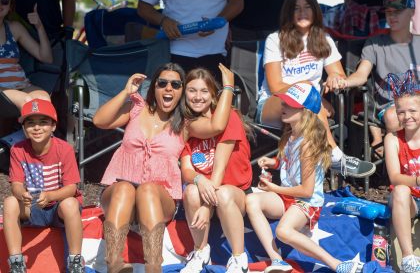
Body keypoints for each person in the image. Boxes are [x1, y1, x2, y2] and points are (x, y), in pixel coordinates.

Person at [93, 62, 235, 273]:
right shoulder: (136, 108)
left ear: (181, 92)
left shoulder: (186, 124)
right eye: (163, 83)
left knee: (147, 188)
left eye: (176, 85)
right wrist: (125, 92)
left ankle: (153, 268)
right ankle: (114, 265)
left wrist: (228, 88)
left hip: (159, 199)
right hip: (119, 198)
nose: (169, 88)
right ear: (154, 88)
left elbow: (217, 126)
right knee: (124, 187)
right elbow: (99, 120)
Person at [246, 82, 364, 273]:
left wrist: (274, 189)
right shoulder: (290, 135)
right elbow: (290, 166)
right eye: (284, 102)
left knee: (283, 231)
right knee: (251, 201)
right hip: (288, 198)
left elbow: (306, 190)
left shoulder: (307, 144)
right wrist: (273, 163)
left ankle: (336, 263)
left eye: (290, 104)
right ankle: (277, 260)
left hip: (306, 202)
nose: (283, 107)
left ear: (306, 111)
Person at [256, 0, 375, 178]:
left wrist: (335, 79)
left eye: (307, 7)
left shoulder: (324, 39)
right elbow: (275, 85)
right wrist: (315, 98)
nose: (302, 12)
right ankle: (335, 157)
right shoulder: (275, 39)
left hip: (309, 109)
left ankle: (309, 183)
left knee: (308, 101)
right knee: (306, 91)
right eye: (296, 8)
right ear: (288, 12)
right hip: (273, 104)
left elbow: (339, 74)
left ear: (315, 10)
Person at [179, 66, 253, 273]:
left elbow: (219, 168)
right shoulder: (187, 126)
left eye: (204, 91)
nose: (197, 97)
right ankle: (200, 252)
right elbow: (186, 170)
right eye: (192, 90)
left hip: (233, 192)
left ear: (213, 94)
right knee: (191, 189)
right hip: (209, 192)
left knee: (223, 193)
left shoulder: (228, 116)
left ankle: (239, 258)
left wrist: (206, 207)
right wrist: (199, 180)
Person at [2, 99, 84, 273]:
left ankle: (75, 261)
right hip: (32, 207)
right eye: (30, 123)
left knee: (70, 203)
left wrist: (50, 196)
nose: (37, 128)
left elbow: (71, 188)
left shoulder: (65, 149)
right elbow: (16, 184)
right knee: (10, 201)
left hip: (58, 209)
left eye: (43, 122)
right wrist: (21, 194)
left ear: (53, 126)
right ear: (24, 128)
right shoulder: (17, 149)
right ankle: (16, 263)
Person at [335, 0, 420, 154]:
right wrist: (344, 82)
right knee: (395, 116)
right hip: (391, 106)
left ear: (411, 12)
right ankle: (401, 170)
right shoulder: (375, 44)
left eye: (398, 11)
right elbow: (361, 74)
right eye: (388, 12)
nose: (392, 16)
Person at [137, 0, 244, 82]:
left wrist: (216, 22)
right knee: (173, 104)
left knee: (210, 104)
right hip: (172, 52)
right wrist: (163, 21)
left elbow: (237, 2)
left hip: (214, 52)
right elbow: (143, 7)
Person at [384, 71, 420, 273]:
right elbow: (395, 177)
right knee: (400, 190)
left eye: (413, 111)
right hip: (408, 202)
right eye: (401, 112)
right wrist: (417, 179)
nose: (407, 117)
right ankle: (408, 258)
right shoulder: (393, 139)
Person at [0, 0, 52, 109]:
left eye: (4, 0)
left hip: (21, 85)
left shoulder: (14, 28)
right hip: (3, 90)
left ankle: (26, 127)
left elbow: (46, 58)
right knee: (28, 103)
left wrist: (39, 26)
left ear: (10, 5)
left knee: (44, 101)